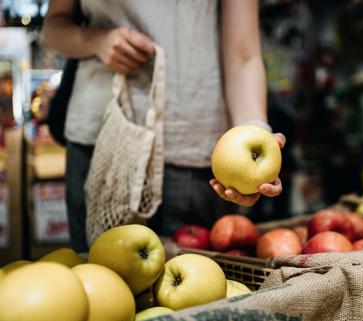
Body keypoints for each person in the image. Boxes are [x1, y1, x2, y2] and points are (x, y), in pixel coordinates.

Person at [42, 0, 285, 252]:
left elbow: (244, 56)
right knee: (96, 277)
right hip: (100, 143)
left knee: (200, 285)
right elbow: (53, 27)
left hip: (193, 148)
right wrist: (95, 41)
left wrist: (254, 130)